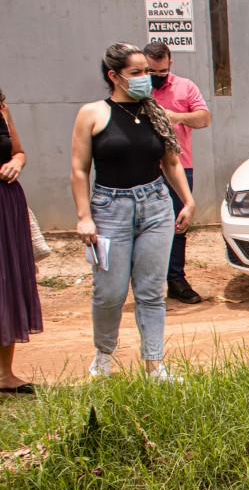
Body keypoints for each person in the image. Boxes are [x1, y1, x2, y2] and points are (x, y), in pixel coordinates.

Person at [70, 43, 195, 380]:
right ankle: (104, 356)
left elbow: (170, 160)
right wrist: (84, 216)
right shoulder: (92, 113)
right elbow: (79, 170)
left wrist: (187, 200)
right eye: (137, 73)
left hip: (156, 206)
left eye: (148, 72)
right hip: (110, 210)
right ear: (114, 76)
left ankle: (155, 365)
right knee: (109, 292)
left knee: (151, 291)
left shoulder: (154, 112)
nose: (146, 79)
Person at [144, 41, 211, 304]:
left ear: (170, 64)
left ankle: (176, 280)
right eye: (150, 72)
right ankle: (148, 283)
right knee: (145, 227)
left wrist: (177, 116)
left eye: (161, 72)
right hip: (144, 167)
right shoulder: (135, 89)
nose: (156, 78)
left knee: (178, 225)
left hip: (179, 167)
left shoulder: (185, 86)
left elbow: (205, 118)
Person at [0, 87, 42, 395]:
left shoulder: (1, 106)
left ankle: (5, 375)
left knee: (8, 283)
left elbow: (18, 150)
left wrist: (17, 161)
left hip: (6, 202)